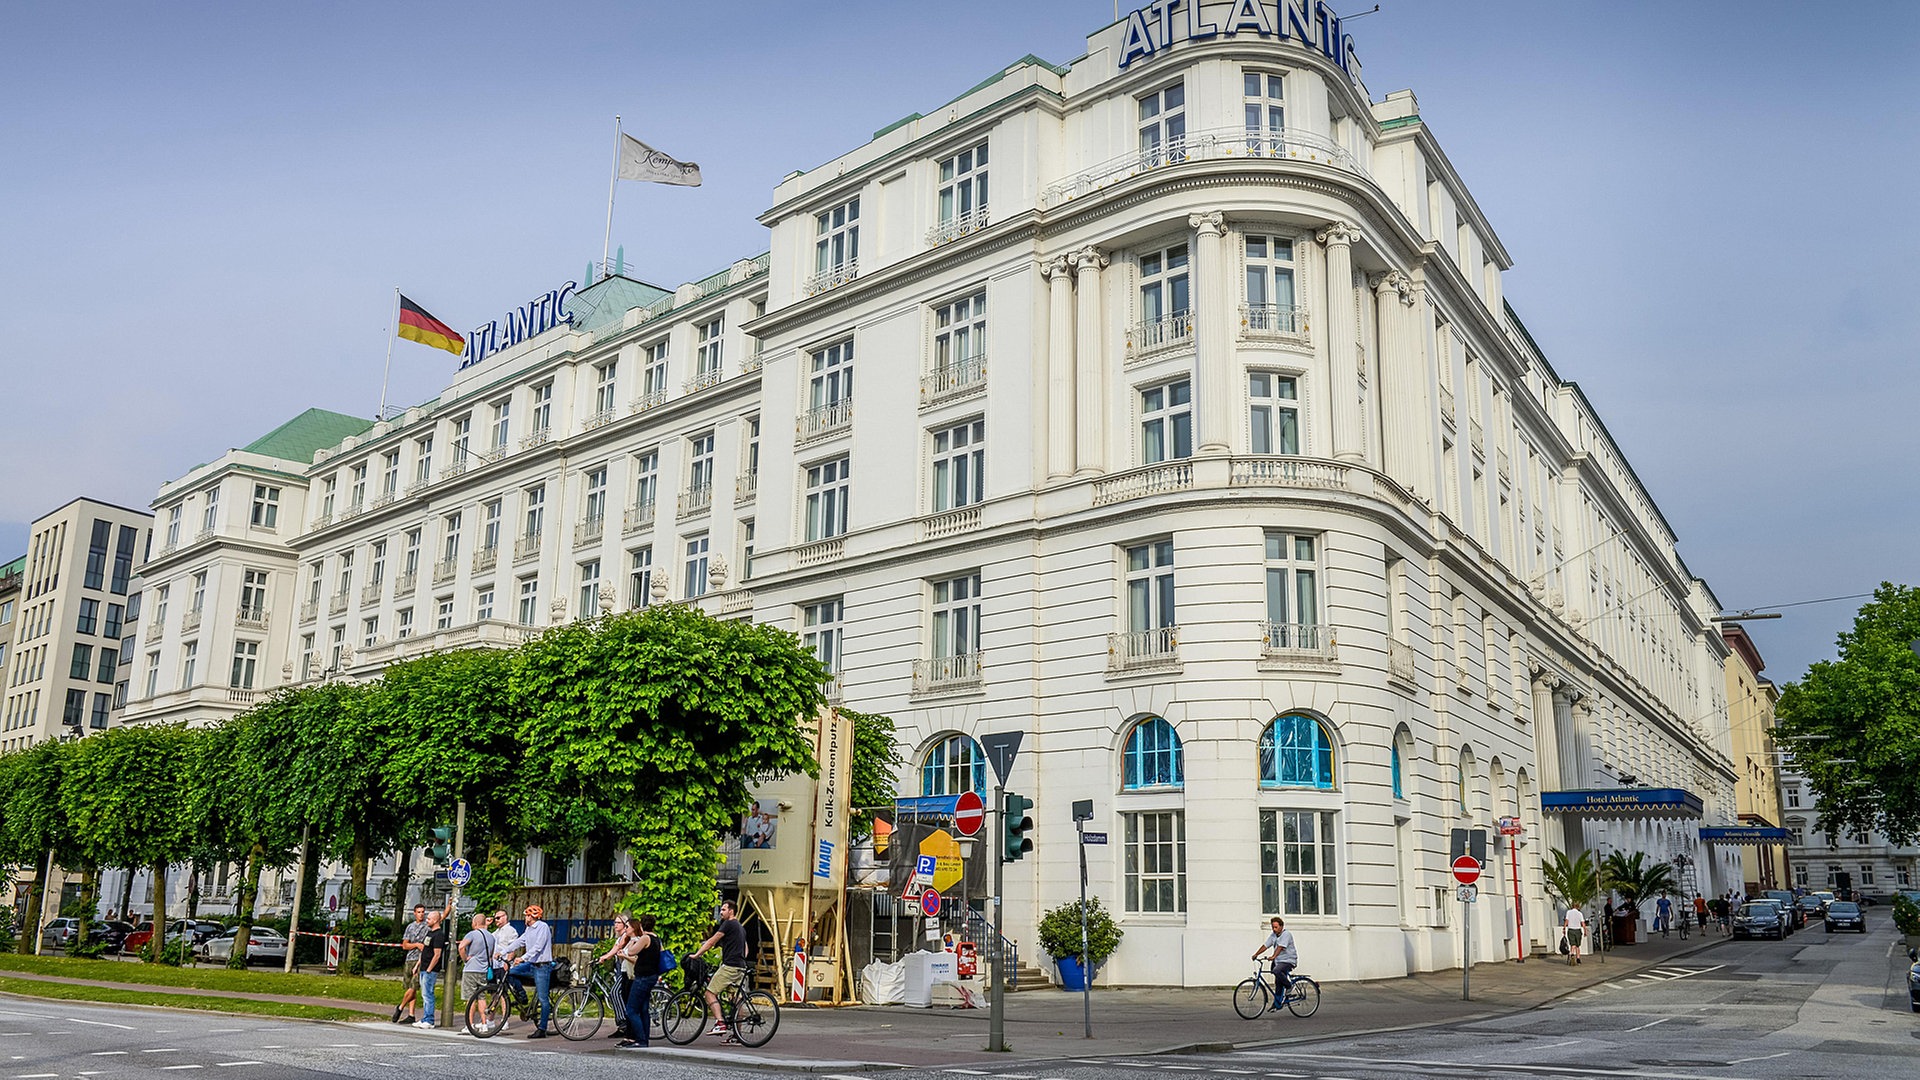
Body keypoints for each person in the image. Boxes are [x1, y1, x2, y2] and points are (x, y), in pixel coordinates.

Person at [687, 899, 749, 1037]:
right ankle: (738, 1036)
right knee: (737, 1000)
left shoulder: (728, 924)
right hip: (740, 967)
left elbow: (712, 941)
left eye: (723, 910)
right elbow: (745, 949)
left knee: (709, 993)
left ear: (731, 911)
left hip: (730, 966)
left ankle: (720, 1023)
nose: (721, 912)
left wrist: (697, 955)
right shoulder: (740, 927)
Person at [504, 903, 557, 1038]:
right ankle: (522, 996)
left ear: (532, 916)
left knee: (542, 998)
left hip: (542, 966)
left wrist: (522, 958)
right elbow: (519, 942)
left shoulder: (542, 927)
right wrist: (503, 952)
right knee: (511, 973)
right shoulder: (528, 929)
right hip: (531, 964)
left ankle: (542, 1029)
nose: (525, 918)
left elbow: (538, 947)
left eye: (527, 915)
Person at [617, 914, 662, 1050]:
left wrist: (631, 943)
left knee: (631, 1009)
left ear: (642, 925)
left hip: (642, 977)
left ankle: (640, 1039)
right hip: (652, 975)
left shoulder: (645, 938)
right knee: (643, 1009)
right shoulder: (656, 939)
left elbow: (631, 952)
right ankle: (644, 1038)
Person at [594, 915, 635, 1038]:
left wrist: (606, 957)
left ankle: (623, 1023)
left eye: (618, 923)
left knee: (615, 992)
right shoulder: (620, 937)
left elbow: (617, 948)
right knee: (620, 994)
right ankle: (622, 1024)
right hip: (620, 968)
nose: (615, 925)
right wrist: (605, 956)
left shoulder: (626, 937)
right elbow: (614, 948)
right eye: (615, 922)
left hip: (627, 970)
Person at [457, 912, 495, 1035]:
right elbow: (491, 954)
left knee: (471, 998)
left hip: (471, 969)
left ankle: (469, 1024)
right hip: (484, 970)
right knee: (482, 997)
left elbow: (461, 947)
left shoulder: (472, 934)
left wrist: (465, 958)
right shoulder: (491, 937)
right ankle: (484, 1024)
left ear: (475, 923)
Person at [394, 903, 431, 1024]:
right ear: (415, 913)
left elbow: (441, 917)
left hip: (420, 960)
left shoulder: (428, 925)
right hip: (410, 959)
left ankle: (400, 1007)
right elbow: (405, 945)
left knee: (414, 986)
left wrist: (449, 905)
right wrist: (416, 945)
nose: (421, 914)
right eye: (419, 912)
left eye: (423, 912)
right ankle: (411, 1014)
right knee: (410, 987)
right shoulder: (410, 927)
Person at [1252, 916, 1297, 1009]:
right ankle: (1277, 1003)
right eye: (1273, 927)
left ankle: (1289, 986)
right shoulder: (1273, 935)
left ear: (1281, 926)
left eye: (1276, 927)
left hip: (1288, 960)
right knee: (1277, 980)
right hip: (1279, 961)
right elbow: (1265, 945)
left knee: (1276, 971)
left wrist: (1273, 956)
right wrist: (1256, 954)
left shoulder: (1286, 934)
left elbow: (1280, 947)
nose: (1274, 929)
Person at [416, 908, 450, 1028]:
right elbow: (425, 950)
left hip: (430, 969)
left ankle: (429, 1020)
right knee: (424, 994)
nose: (427, 920)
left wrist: (430, 968)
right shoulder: (429, 933)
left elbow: (437, 954)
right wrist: (418, 964)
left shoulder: (439, 935)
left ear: (436, 920)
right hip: (423, 967)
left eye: (429, 918)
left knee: (428, 994)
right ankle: (425, 1017)